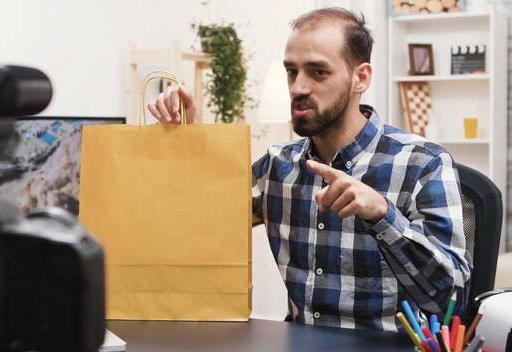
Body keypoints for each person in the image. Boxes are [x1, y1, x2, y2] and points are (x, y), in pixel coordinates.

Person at [147, 7, 471, 331]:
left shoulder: (423, 163)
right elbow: (198, 217)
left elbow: (452, 296)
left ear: (361, 78)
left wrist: (382, 214)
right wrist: (187, 137)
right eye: (292, 71)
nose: (298, 88)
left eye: (318, 72)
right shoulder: (276, 167)